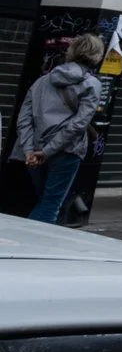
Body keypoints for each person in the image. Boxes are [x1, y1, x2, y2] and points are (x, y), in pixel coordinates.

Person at [10, 34, 106, 225]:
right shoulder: (92, 85)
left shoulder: (42, 81)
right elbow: (78, 124)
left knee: (43, 200)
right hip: (66, 151)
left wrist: (29, 151)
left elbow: (24, 119)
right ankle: (32, 241)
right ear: (97, 55)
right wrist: (47, 151)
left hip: (33, 151)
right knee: (51, 203)